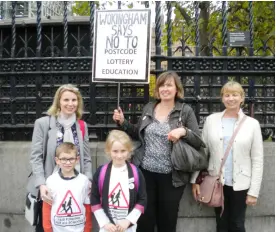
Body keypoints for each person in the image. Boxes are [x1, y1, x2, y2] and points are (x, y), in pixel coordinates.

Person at [113, 71, 202, 232]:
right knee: (145, 220)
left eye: (169, 85)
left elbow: (198, 141)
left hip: (173, 176)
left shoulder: (185, 111)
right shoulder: (149, 107)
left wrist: (183, 132)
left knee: (167, 221)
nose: (165, 88)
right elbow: (138, 133)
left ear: (177, 89)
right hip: (146, 173)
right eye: (162, 85)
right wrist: (123, 122)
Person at [191, 81, 264, 232]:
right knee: (221, 223)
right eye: (227, 95)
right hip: (217, 181)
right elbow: (203, 153)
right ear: (222, 98)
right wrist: (195, 180)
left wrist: (253, 192)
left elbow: (257, 160)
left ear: (242, 98)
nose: (231, 98)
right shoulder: (211, 120)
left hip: (241, 183)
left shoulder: (252, 124)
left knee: (237, 224)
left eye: (235, 95)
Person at [27, 84, 92, 232]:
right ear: (58, 102)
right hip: (50, 187)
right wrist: (41, 184)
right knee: (46, 226)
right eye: (66, 100)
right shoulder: (43, 124)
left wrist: (88, 179)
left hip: (75, 186)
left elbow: (86, 157)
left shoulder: (82, 126)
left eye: (74, 100)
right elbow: (36, 157)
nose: (70, 104)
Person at [91, 130, 147, 232]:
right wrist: (105, 222)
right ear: (108, 151)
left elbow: (142, 199)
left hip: (127, 227)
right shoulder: (101, 172)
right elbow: (94, 199)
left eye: (123, 151)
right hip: (107, 228)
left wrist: (128, 220)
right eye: (115, 151)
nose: (119, 156)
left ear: (129, 150)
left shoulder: (136, 173)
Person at [42, 142, 92, 232]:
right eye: (64, 159)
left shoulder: (84, 181)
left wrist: (87, 229)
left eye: (71, 159)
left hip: (79, 229)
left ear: (77, 159)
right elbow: (46, 208)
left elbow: (87, 207)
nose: (68, 162)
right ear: (57, 160)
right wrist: (48, 230)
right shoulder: (51, 181)